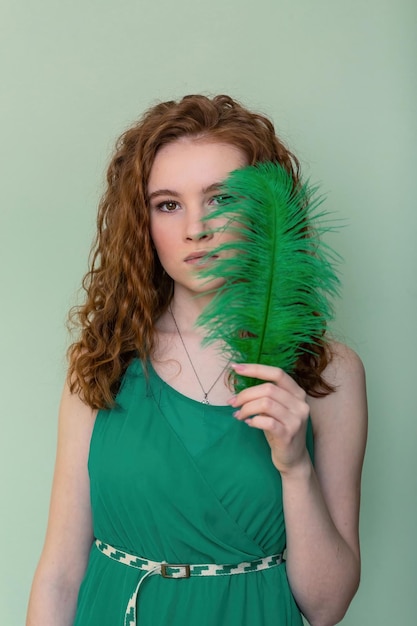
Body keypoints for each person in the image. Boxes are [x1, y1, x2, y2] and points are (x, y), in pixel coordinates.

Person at [26, 94, 368, 626]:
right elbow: (59, 575)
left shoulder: (329, 373)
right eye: (168, 204)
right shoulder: (102, 361)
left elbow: (326, 607)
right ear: (143, 222)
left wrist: (294, 465)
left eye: (221, 199)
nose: (195, 229)